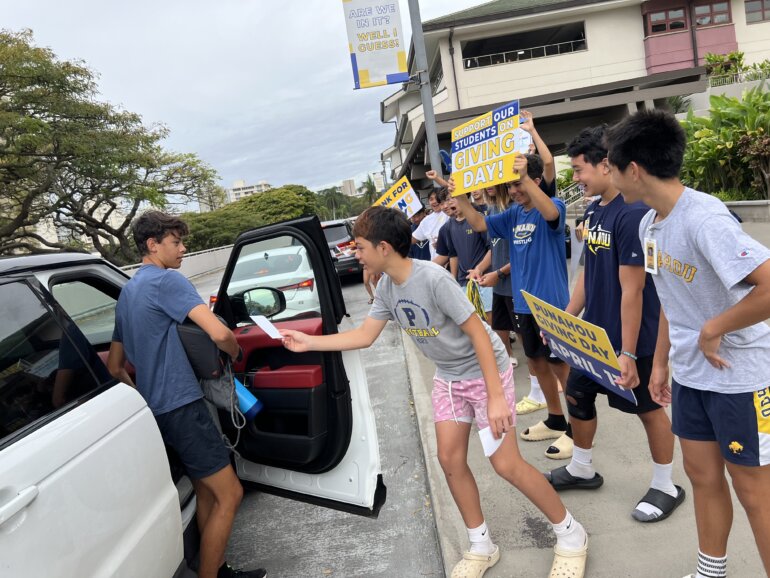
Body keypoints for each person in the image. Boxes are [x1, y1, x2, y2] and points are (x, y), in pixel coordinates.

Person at [279, 206, 588, 578]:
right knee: (450, 460)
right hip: (450, 378)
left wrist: (495, 397)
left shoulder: (433, 278)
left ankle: (571, 534)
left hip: (485, 373)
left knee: (506, 465)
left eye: (359, 247)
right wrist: (308, 343)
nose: (354, 253)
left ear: (383, 248)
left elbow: (479, 334)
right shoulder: (387, 288)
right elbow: (364, 336)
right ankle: (481, 545)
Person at [606, 109, 770, 578]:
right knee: (701, 476)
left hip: (740, 378)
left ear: (633, 169)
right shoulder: (649, 224)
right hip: (692, 376)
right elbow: (670, 297)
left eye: (612, 167)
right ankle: (709, 571)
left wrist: (713, 328)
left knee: (754, 492)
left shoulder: (705, 219)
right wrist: (661, 362)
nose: (610, 176)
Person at [107, 211, 266, 578]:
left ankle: (215, 568)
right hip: (183, 406)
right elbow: (220, 333)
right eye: (176, 242)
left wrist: (146, 397)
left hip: (159, 412)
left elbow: (114, 366)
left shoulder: (127, 293)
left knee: (206, 492)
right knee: (230, 494)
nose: (183, 249)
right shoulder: (168, 281)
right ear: (153, 245)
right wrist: (235, 352)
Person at [545, 125, 685, 525]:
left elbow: (633, 290)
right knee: (577, 394)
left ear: (606, 165)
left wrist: (628, 351)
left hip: (634, 340)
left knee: (648, 410)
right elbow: (588, 273)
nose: (575, 178)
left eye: (579, 169)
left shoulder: (633, 213)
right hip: (596, 335)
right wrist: (565, 319)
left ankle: (666, 485)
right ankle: (582, 468)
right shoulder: (594, 210)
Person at [453, 154, 573, 460]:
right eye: (510, 185)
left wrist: (527, 180)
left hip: (551, 304)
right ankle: (556, 419)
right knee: (536, 361)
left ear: (535, 181)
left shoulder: (553, 206)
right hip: (523, 303)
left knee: (561, 366)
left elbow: (550, 213)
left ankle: (578, 428)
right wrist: (460, 196)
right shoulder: (514, 214)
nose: (514, 191)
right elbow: (479, 223)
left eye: (518, 184)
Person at [434, 192, 494, 323]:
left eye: (452, 198)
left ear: (464, 198)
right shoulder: (448, 226)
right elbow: (453, 255)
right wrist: (453, 279)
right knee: (472, 323)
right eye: (446, 200)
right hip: (463, 282)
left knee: (490, 322)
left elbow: (492, 249)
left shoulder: (478, 220)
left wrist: (479, 269)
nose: (449, 203)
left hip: (483, 279)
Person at [412, 185, 448, 261]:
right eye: (431, 199)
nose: (434, 201)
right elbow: (412, 239)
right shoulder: (426, 221)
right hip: (436, 263)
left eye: (437, 198)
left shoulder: (449, 213)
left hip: (452, 260)